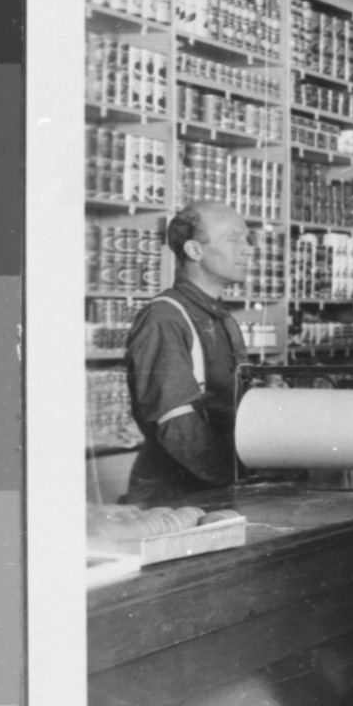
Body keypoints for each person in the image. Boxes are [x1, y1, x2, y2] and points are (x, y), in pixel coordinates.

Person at [122, 201, 251, 506]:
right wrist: (237, 476)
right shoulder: (165, 317)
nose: (247, 250)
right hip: (174, 497)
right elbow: (176, 423)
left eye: (247, 240)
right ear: (194, 250)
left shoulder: (223, 318)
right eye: (233, 239)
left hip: (215, 487)